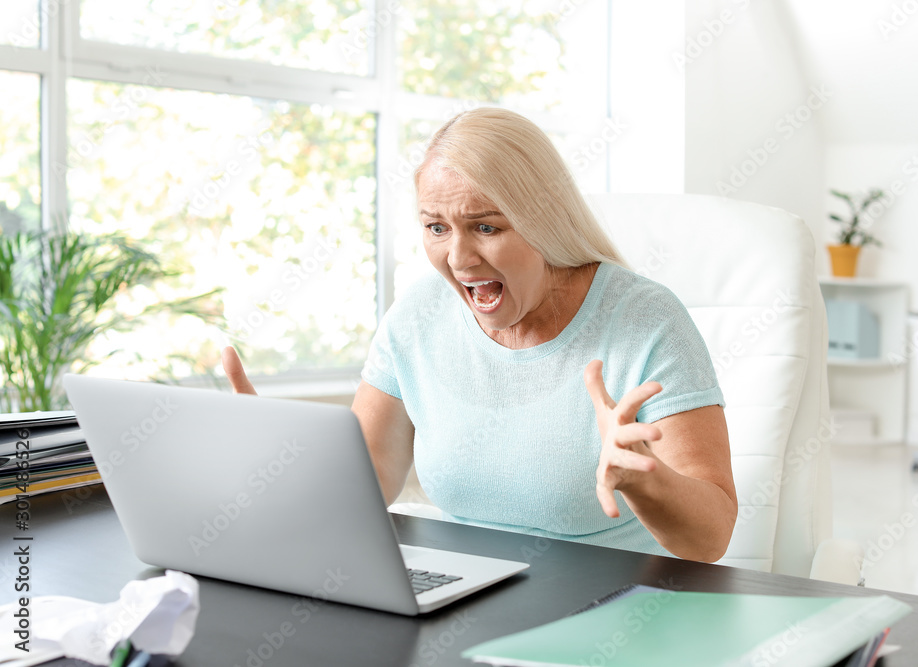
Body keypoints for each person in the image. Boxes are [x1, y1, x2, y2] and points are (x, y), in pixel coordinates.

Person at [223, 107, 737, 563]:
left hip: (617, 607)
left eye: (486, 227)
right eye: (436, 227)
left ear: (545, 221)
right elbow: (369, 477)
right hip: (467, 592)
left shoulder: (646, 320)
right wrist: (279, 459)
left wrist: (646, 480)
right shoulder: (418, 316)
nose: (459, 259)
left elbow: (709, 540)